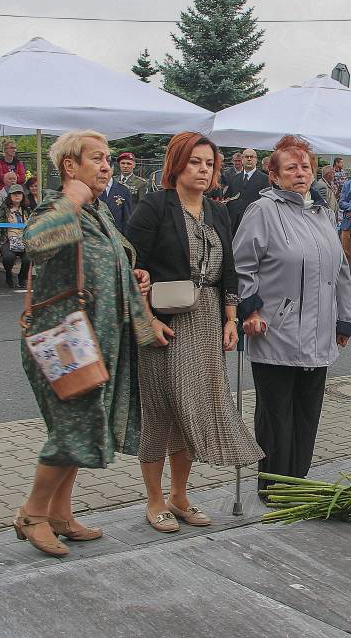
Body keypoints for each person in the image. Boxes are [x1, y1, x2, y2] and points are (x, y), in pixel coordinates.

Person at [16, 130, 170, 557]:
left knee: (86, 426)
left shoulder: (99, 213)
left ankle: (60, 514)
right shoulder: (59, 207)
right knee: (73, 427)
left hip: (99, 339)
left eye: (107, 159)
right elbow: (33, 243)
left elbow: (112, 260)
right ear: (70, 165)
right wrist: (73, 196)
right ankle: (32, 513)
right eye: (96, 159)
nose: (106, 166)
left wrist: (133, 275)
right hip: (63, 340)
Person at [127, 132, 260, 532]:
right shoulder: (154, 206)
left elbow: (230, 270)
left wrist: (231, 318)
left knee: (193, 411)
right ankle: (154, 500)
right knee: (160, 412)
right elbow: (131, 268)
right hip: (163, 322)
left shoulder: (218, 212)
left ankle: (180, 496)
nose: (203, 170)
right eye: (195, 162)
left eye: (209, 164)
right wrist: (147, 321)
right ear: (177, 164)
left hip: (206, 319)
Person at [234, 135, 351, 496]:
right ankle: (273, 485)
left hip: (318, 333)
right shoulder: (263, 211)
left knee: (306, 413)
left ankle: (297, 483)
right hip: (276, 330)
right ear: (274, 175)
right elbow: (243, 265)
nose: (300, 173)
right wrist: (250, 309)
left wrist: (344, 317)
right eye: (290, 167)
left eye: (305, 166)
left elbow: (340, 269)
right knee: (276, 416)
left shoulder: (322, 213)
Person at [0, 184, 30, 289]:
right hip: (8, 239)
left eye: (19, 193)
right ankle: (9, 274)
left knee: (28, 258)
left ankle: (22, 278)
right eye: (14, 194)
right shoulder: (3, 210)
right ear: (10, 196)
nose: (17, 196)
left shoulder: (27, 210)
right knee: (9, 258)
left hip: (25, 239)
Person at [223, 148, 268, 232]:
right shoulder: (234, 178)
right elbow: (228, 198)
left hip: (254, 222)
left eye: (252, 157)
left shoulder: (265, 179)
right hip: (234, 224)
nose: (249, 159)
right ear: (242, 159)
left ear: (256, 160)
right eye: (246, 157)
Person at [97, 164, 133, 232]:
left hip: (116, 233)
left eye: (106, 170)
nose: (104, 173)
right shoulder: (92, 188)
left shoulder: (123, 190)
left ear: (112, 169)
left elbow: (127, 217)